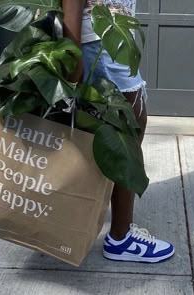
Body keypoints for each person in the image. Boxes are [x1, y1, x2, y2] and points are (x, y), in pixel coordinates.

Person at [62, 0, 175, 263]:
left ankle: (103, 221)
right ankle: (121, 238)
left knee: (121, 133)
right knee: (126, 135)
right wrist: (74, 49)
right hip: (99, 39)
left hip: (109, 36)